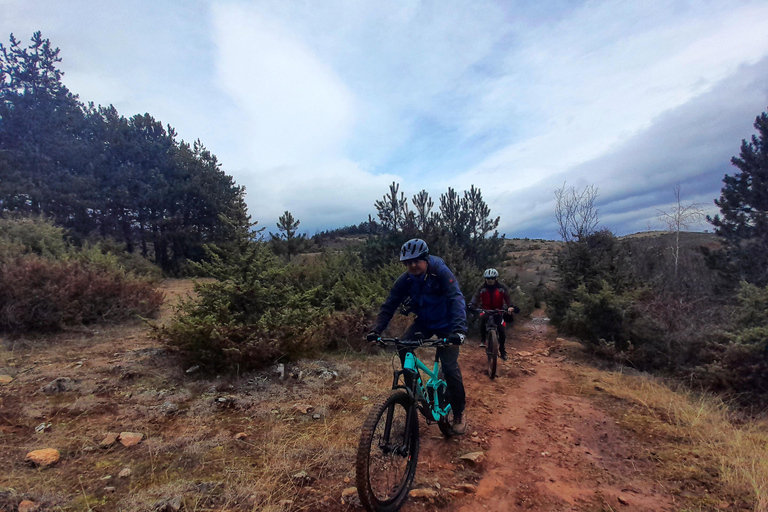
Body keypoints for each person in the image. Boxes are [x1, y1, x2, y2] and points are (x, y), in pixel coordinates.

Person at [367, 238, 469, 435]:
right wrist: (375, 330)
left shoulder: (440, 272)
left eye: (417, 260)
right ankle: (413, 395)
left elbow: (456, 298)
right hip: (424, 321)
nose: (413, 265)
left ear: (426, 259)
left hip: (448, 324)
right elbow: (389, 305)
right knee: (403, 346)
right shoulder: (404, 281)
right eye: (408, 262)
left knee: (449, 367)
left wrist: (459, 331)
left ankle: (458, 412)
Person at [469, 268, 520, 361]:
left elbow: (508, 297)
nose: (490, 280)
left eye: (492, 278)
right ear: (485, 279)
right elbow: (476, 297)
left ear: (496, 278)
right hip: (486, 310)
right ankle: (483, 340)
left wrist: (510, 306)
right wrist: (472, 305)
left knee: (501, 330)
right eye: (488, 278)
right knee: (483, 319)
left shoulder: (502, 287)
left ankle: (502, 351)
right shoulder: (482, 288)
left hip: (499, 310)